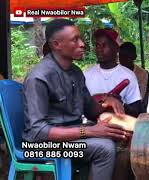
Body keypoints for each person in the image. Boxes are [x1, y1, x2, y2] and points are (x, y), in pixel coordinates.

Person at [23, 19, 129, 180]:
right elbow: (37, 131)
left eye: (80, 38)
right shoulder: (39, 78)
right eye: (75, 39)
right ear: (57, 44)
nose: (82, 44)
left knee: (116, 138)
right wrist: (89, 131)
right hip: (41, 146)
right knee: (104, 148)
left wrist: (108, 101)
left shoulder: (75, 72)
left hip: (70, 137)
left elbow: (91, 110)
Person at [84, 29, 142, 117]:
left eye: (104, 45)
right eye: (97, 45)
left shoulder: (128, 76)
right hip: (92, 126)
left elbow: (136, 111)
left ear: (116, 48)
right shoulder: (86, 75)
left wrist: (121, 104)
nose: (99, 49)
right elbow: (82, 107)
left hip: (119, 126)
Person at [119, 42, 149, 113]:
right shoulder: (115, 71)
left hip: (135, 111)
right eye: (121, 57)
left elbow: (139, 99)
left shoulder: (142, 74)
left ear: (134, 57)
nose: (124, 60)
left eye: (127, 57)